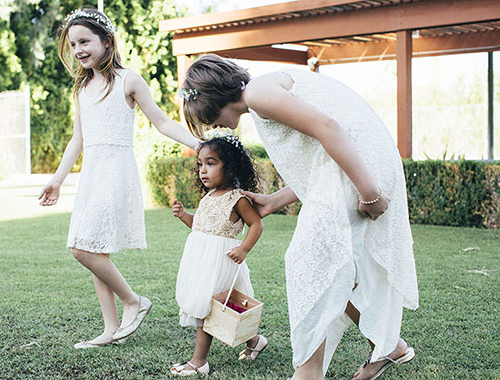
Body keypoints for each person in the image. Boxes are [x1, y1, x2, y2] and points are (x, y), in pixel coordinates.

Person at [179, 54, 419, 380]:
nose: (212, 126)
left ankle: (309, 373)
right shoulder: (261, 93)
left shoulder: (258, 93)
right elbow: (320, 162)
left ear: (216, 96)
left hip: (363, 165)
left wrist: (370, 192)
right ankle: (389, 346)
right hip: (357, 162)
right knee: (334, 268)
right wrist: (273, 201)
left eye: (207, 115)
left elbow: (329, 128)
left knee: (308, 262)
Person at [38, 8, 200, 349]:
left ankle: (134, 301)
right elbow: (77, 139)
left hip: (116, 170)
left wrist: (200, 145)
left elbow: (162, 122)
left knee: (83, 248)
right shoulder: (81, 88)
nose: (79, 49)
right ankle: (110, 329)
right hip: (92, 173)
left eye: (85, 41)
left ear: (106, 41)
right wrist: (57, 179)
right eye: (73, 44)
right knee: (96, 249)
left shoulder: (129, 80)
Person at [169, 135, 266, 376]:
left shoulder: (238, 199)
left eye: (211, 163)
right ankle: (254, 341)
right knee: (227, 310)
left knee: (209, 308)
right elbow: (202, 226)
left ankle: (198, 361)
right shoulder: (208, 196)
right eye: (200, 164)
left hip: (222, 261)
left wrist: (243, 249)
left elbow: (256, 225)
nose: (203, 170)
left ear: (230, 166)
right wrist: (184, 216)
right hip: (200, 260)